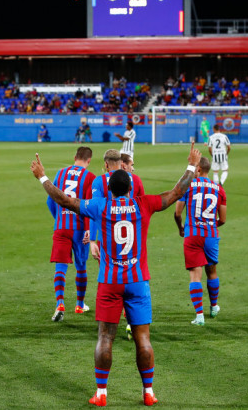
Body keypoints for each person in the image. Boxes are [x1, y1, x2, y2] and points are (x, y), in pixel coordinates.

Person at [31, 142, 201, 407]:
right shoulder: (144, 204)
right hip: (138, 281)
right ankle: (148, 392)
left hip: (109, 283)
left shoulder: (100, 206)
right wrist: (191, 164)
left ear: (109, 188)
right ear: (131, 187)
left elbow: (64, 199)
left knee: (104, 338)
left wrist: (42, 176)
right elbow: (178, 191)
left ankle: (101, 394)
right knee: (143, 338)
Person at [90, 150, 145, 340]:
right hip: (133, 240)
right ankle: (132, 321)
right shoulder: (135, 180)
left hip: (107, 240)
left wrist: (91, 240)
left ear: (106, 164)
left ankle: (108, 322)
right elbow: (143, 207)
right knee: (132, 278)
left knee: (110, 280)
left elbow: (93, 209)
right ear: (121, 163)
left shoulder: (98, 182)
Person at [173, 157, 226, 326]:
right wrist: (209, 225)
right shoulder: (219, 189)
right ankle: (214, 307)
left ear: (197, 169)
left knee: (195, 275)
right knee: (212, 271)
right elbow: (223, 219)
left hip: (193, 234)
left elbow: (177, 213)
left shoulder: (188, 186)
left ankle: (199, 316)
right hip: (211, 234)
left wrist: (181, 227)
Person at [46, 147, 96, 322]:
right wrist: (90, 230)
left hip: (61, 226)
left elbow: (50, 200)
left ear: (75, 157)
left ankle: (60, 303)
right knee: (81, 266)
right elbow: (90, 205)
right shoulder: (90, 177)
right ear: (89, 161)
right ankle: (79, 305)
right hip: (80, 229)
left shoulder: (60, 173)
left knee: (60, 266)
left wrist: (59, 218)